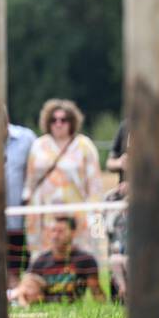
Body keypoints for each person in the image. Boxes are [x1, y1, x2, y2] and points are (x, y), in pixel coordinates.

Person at [24, 99, 103, 256]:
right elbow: (30, 183)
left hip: (78, 216)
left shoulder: (84, 145)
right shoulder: (39, 146)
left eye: (63, 119)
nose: (58, 124)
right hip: (46, 216)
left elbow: (95, 187)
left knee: (79, 258)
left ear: (71, 122)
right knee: (47, 259)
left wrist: (96, 225)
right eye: (54, 120)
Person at [25, 216, 102, 303]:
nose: (55, 235)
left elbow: (97, 293)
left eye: (61, 231)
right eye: (53, 230)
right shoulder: (40, 261)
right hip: (46, 310)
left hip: (74, 311)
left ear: (73, 233)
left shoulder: (85, 260)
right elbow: (26, 286)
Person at [4, 114, 37, 288]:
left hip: (22, 214)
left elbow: (36, 167)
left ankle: (20, 296)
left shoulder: (26, 138)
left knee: (19, 264)